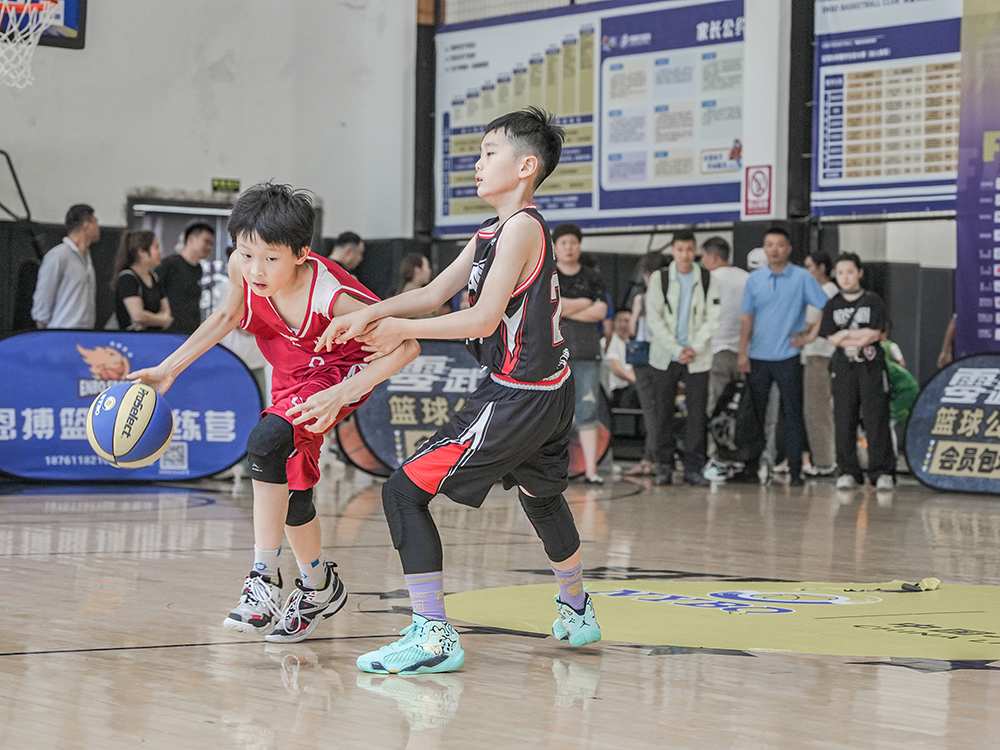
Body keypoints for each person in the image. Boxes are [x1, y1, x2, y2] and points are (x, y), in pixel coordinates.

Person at [318, 107, 602, 675]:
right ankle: (577, 610)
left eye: (489, 152)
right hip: (549, 389)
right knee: (541, 498)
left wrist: (399, 329)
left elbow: (480, 318)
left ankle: (433, 635)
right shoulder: (494, 230)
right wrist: (370, 314)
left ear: (525, 166)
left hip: (519, 395)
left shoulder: (522, 227)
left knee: (402, 492)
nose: (478, 163)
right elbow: (433, 293)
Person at [128, 182, 419, 643]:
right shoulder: (243, 267)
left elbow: (407, 346)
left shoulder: (330, 294)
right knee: (292, 488)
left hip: (336, 371)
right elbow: (227, 317)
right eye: (246, 254)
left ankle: (263, 578)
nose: (255, 269)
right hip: (289, 371)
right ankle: (320, 585)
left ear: (301, 253)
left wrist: (344, 393)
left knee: (264, 444)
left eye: (270, 258)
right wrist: (169, 369)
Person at [736, 227, 830, 486]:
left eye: (779, 244)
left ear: (788, 249)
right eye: (769, 244)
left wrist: (809, 336)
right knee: (754, 415)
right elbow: (747, 318)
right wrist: (743, 352)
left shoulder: (802, 277)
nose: (774, 249)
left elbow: (825, 305)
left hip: (788, 355)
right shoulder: (755, 279)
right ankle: (750, 466)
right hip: (758, 355)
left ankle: (796, 469)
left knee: (792, 414)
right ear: (764, 248)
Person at [646, 231, 721, 486]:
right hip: (665, 356)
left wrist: (693, 348)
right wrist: (677, 349)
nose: (685, 254)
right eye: (680, 249)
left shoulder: (708, 279)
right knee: (663, 412)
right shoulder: (660, 279)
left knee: (697, 414)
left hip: (697, 357)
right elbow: (654, 317)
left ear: (695, 250)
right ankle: (664, 465)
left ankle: (694, 467)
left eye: (689, 249)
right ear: (673, 251)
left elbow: (713, 317)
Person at [818, 253, 895, 491]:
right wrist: (853, 337)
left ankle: (882, 472)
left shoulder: (873, 300)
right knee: (844, 418)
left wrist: (847, 335)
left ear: (860, 273)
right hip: (844, 367)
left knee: (876, 417)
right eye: (840, 273)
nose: (845, 277)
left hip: (871, 365)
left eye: (850, 272)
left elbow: (875, 334)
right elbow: (832, 337)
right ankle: (848, 471)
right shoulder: (833, 304)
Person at [552, 222, 609, 484]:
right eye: (563, 243)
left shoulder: (593, 276)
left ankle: (591, 471)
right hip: (553, 355)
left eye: (573, 243)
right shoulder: (547, 275)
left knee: (587, 410)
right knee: (551, 415)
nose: (569, 248)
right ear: (555, 247)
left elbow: (601, 311)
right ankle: (550, 471)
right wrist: (584, 303)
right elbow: (549, 308)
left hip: (587, 353)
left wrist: (564, 308)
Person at [624, 253, 669, 477]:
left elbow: (632, 331)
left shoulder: (646, 297)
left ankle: (652, 458)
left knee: (652, 410)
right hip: (661, 355)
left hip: (649, 355)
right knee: (658, 409)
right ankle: (653, 457)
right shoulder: (669, 297)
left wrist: (637, 313)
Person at [699, 236, 748, 417]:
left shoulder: (709, 280)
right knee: (741, 404)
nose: (702, 262)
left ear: (714, 257)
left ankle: (713, 435)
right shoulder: (747, 278)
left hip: (717, 348)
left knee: (714, 403)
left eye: (704, 256)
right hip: (744, 350)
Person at [31, 203, 99, 330]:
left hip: (85, 333)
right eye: (95, 223)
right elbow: (43, 300)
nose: (97, 228)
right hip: (61, 331)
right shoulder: (58, 256)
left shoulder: (87, 257)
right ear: (86, 225)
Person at [801, 251, 839, 477]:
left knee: (817, 410)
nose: (806, 271)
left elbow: (809, 322)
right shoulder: (823, 292)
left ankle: (825, 462)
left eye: (809, 266)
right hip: (816, 355)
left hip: (820, 355)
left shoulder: (826, 292)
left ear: (822, 268)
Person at [158, 222, 215, 334]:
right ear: (191, 239)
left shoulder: (198, 269)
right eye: (206, 241)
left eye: (211, 244)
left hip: (190, 332)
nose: (209, 247)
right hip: (169, 332)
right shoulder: (170, 264)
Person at [112, 230, 173, 332]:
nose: (160, 252)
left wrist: (149, 320)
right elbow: (137, 315)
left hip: (155, 336)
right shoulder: (128, 278)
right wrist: (161, 320)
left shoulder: (154, 278)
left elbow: (167, 312)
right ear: (142, 252)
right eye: (156, 247)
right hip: (132, 338)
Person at [601, 309, 637, 408]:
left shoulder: (633, 344)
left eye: (626, 321)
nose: (622, 324)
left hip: (631, 387)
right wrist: (635, 381)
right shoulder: (608, 342)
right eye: (619, 320)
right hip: (615, 390)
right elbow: (616, 368)